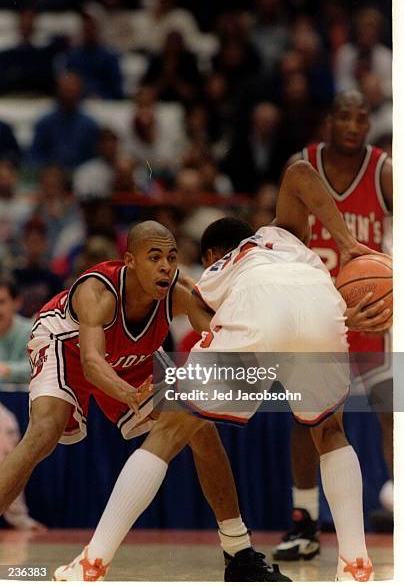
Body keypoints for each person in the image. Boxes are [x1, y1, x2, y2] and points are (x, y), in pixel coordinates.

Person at [55, 159, 385, 582]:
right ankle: (356, 564)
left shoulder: (217, 269)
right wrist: (350, 246)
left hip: (260, 307)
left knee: (170, 431)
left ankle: (91, 563)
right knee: (331, 431)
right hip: (323, 305)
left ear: (213, 254)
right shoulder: (286, 237)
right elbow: (301, 171)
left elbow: (226, 321)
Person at [0, 220, 288, 582]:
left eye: (171, 257)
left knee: (200, 425)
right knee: (45, 430)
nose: (166, 266)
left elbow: (224, 336)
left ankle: (239, 552)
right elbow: (91, 363)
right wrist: (127, 394)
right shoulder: (97, 291)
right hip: (67, 343)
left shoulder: (179, 291)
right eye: (154, 257)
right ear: (130, 261)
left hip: (131, 357)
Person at [273, 89, 393, 561]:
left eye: (361, 118)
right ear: (329, 121)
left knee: (393, 412)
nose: (353, 126)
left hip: (374, 316)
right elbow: (282, 237)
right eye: (344, 116)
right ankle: (304, 522)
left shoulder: (384, 171)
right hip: (318, 316)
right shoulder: (301, 165)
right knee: (307, 421)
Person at [0, 275, 45, 531]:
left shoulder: (32, 331)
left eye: (2, 302)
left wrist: (8, 370)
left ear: (16, 302)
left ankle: (18, 516)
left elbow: (43, 366)